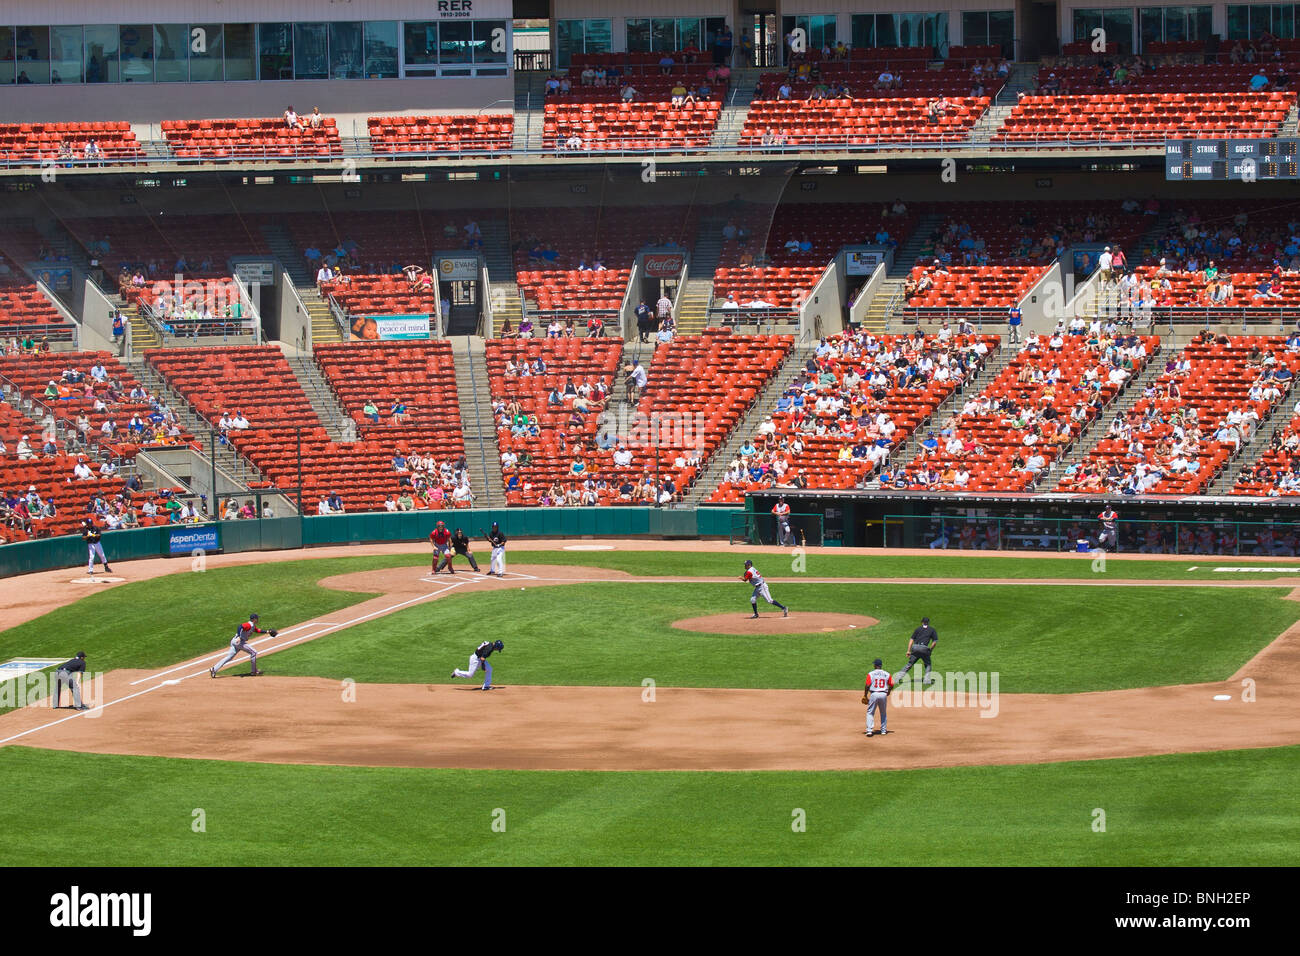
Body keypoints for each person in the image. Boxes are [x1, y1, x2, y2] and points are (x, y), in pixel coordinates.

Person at [210, 613, 273, 677]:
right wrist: (239, 637)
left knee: (229, 657)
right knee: (253, 652)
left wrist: (267, 631)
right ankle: (254, 672)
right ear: (254, 619)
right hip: (239, 642)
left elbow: (257, 630)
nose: (258, 619)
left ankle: (214, 669)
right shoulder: (249, 625)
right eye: (257, 618)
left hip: (235, 641)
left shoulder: (252, 625)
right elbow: (240, 626)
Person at [897, 616, 938, 685]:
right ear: (928, 622)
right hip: (924, 649)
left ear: (922, 622)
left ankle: (897, 679)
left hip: (915, 648)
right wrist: (930, 650)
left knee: (909, 664)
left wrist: (908, 650)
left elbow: (911, 640)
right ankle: (926, 680)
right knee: (928, 664)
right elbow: (934, 642)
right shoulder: (932, 629)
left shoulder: (918, 629)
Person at [863, 657, 895, 736]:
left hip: (874, 694)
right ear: (880, 665)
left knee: (870, 712)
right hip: (883, 694)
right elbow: (892, 684)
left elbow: (867, 685)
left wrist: (865, 695)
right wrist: (888, 691)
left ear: (875, 665)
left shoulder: (871, 674)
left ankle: (869, 730)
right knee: (883, 712)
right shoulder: (887, 674)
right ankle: (883, 731)